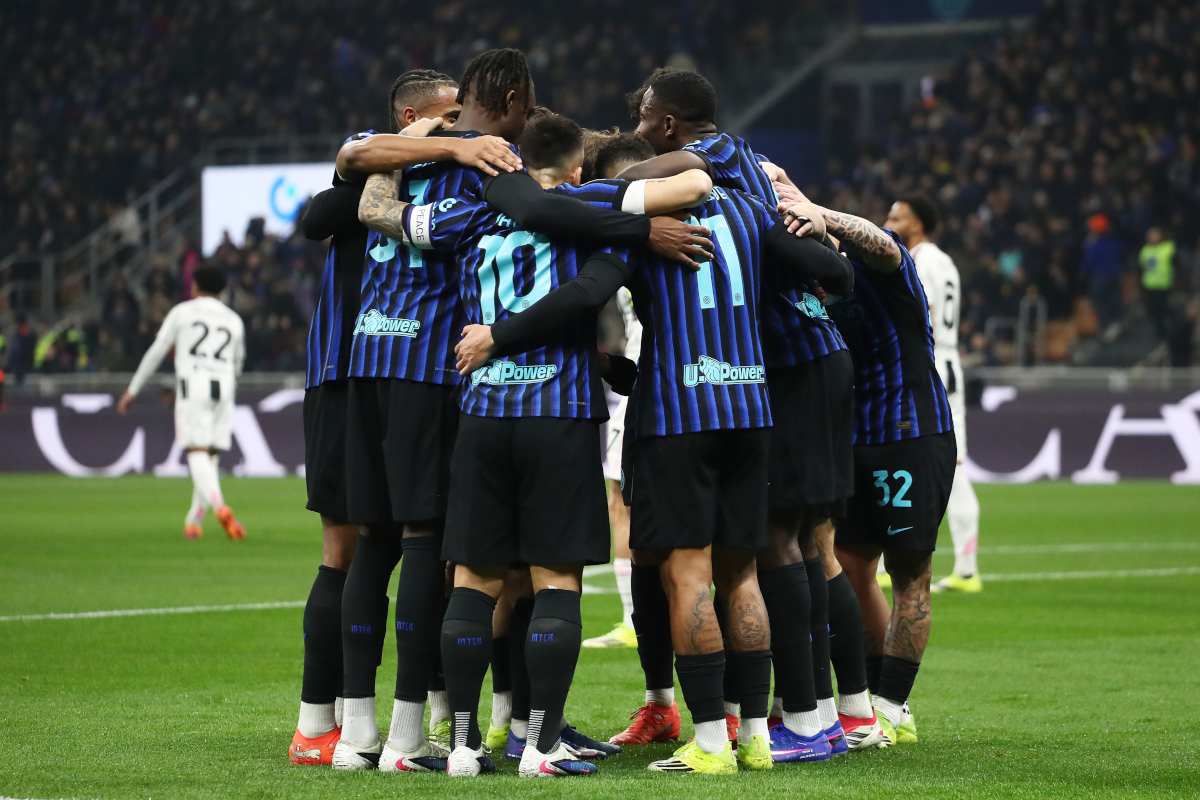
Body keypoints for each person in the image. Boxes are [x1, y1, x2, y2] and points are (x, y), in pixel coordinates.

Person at [331, 48, 712, 774]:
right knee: (554, 580)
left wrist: (411, 145)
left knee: (474, 579)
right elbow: (686, 190)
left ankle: (467, 744)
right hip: (558, 413)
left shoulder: (470, 214)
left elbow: (379, 211)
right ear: (573, 167)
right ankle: (541, 745)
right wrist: (642, 222)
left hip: (480, 415)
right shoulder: (584, 208)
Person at [455, 166, 855, 774]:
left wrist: (524, 342)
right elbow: (836, 274)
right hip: (749, 407)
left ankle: (712, 746)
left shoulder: (645, 229)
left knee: (688, 576)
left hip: (678, 414)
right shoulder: (751, 213)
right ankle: (754, 738)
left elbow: (588, 293)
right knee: (743, 574)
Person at [613, 67, 878, 756]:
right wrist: (824, 247)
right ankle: (831, 713)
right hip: (791, 362)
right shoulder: (753, 169)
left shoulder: (715, 163)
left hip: (790, 361)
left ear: (670, 125)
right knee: (798, 543)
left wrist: (593, 195)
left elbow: (635, 176)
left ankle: (814, 719)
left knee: (785, 545)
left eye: (645, 116)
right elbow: (831, 268)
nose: (641, 127)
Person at [288, 69, 489, 768]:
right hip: (364, 376)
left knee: (391, 543)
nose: (462, 126)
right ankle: (339, 723)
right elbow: (321, 210)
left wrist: (449, 151)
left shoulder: (429, 175)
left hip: (379, 366)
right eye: (447, 116)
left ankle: (377, 724)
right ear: (410, 117)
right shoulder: (371, 173)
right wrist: (449, 150)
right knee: (373, 544)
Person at [785, 199, 955, 749]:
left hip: (911, 432)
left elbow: (885, 243)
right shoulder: (820, 285)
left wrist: (823, 214)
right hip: (854, 438)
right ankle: (867, 705)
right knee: (852, 568)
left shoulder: (887, 268)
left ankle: (892, 705)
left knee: (910, 574)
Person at [886, 195, 982, 594]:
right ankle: (966, 566)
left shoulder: (920, 260)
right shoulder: (945, 261)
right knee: (952, 466)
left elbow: (917, 309)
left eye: (897, 216)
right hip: (946, 365)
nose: (888, 221)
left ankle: (885, 558)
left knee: (898, 453)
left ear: (918, 223)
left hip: (925, 366)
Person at [117, 266, 246, 540]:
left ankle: (220, 507)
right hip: (224, 387)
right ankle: (194, 520)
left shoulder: (182, 312)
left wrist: (133, 389)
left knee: (196, 451)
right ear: (222, 290)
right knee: (209, 455)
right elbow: (238, 363)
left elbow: (157, 350)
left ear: (196, 287)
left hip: (194, 385)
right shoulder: (234, 320)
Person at [1139, 225, 1175, 343]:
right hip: (1149, 285)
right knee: (1153, 310)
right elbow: (1142, 267)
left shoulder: (1168, 247)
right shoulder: (1145, 249)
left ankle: (1173, 328)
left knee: (1164, 308)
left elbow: (1177, 264)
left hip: (1165, 284)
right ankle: (1160, 332)